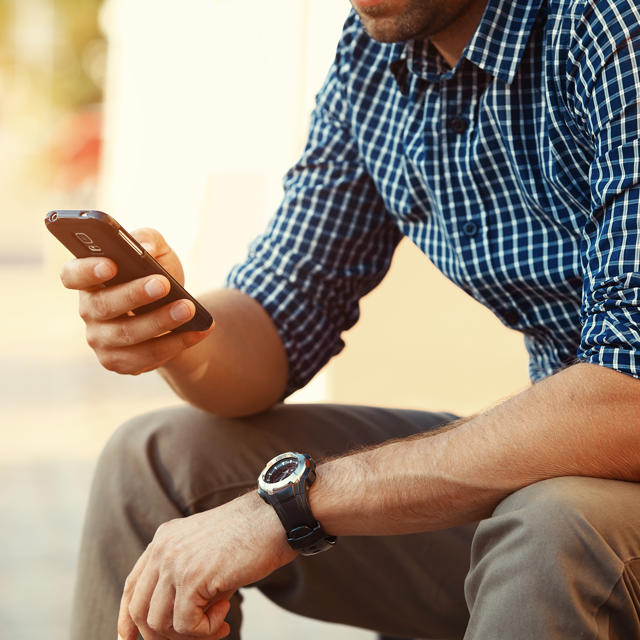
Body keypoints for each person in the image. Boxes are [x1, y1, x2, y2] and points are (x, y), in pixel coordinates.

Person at [61, 0, 640, 638]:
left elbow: (627, 398)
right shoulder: (377, 53)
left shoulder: (610, 23)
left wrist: (292, 504)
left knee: (553, 528)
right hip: (563, 477)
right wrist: (178, 332)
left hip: (591, 492)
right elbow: (279, 314)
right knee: (153, 462)